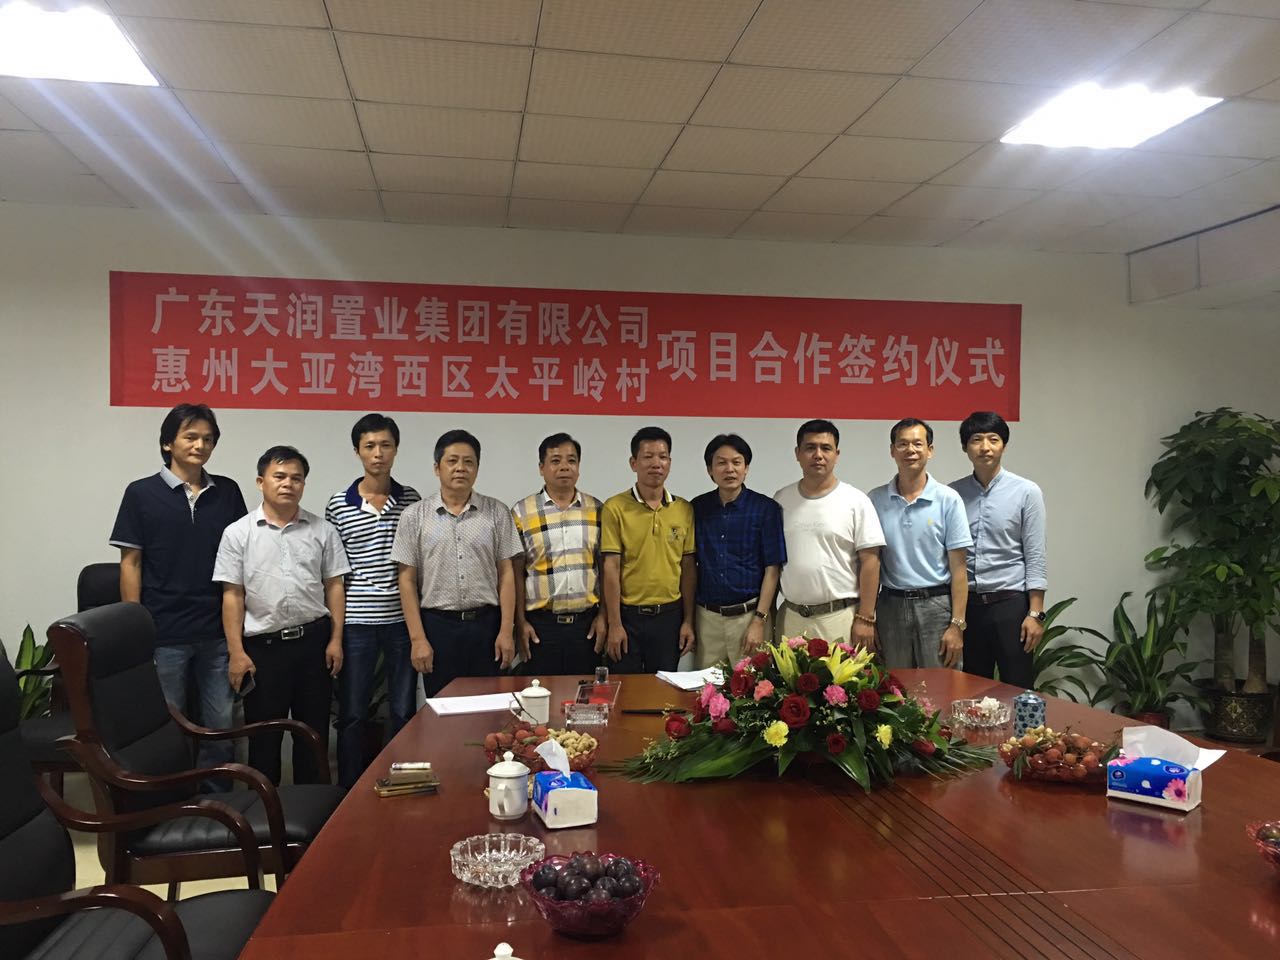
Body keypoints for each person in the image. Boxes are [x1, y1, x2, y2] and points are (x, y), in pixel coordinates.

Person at [109, 403, 247, 787]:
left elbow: (241, 560)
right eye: (190, 437)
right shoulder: (141, 493)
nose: (200, 445)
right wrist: (134, 627)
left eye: (207, 439)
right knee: (168, 723)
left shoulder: (227, 492)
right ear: (168, 443)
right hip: (163, 630)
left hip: (217, 630)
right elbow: (131, 563)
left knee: (220, 722)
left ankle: (219, 798)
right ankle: (172, 797)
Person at [213, 446, 348, 786]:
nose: (288, 484)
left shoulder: (322, 531)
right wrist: (236, 652)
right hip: (263, 650)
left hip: (313, 645)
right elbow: (232, 595)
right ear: (261, 482)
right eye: (280, 476)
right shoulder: (238, 533)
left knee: (312, 734)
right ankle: (263, 810)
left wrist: (335, 639)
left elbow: (334, 586)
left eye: (296, 478)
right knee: (263, 738)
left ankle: (314, 807)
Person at [324, 414, 421, 789]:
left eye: (385, 445)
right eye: (369, 446)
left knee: (403, 710)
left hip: (401, 622)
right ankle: (350, 789)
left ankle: (402, 782)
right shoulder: (338, 505)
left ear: (395, 449)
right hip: (357, 623)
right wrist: (336, 635)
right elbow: (335, 576)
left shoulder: (411, 500)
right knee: (352, 713)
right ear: (357, 451)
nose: (378, 453)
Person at [391, 429, 521, 698]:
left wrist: (506, 631)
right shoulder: (414, 516)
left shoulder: (497, 512)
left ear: (477, 468)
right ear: (437, 468)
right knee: (443, 708)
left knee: (488, 708)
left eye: (468, 461)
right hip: (438, 628)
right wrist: (418, 639)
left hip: (487, 626)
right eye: (452, 461)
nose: (461, 468)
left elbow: (506, 574)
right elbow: (406, 580)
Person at [950, 411, 1048, 689]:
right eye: (976, 440)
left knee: (1017, 687)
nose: (985, 447)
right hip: (968, 607)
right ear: (965, 447)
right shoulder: (952, 494)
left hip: (1010, 604)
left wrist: (1035, 614)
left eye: (993, 439)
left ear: (1004, 445)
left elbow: (1035, 555)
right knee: (970, 688)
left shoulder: (1027, 492)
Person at [869, 418, 971, 671]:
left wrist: (957, 624)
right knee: (896, 686)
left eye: (917, 443)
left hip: (937, 605)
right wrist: (868, 618)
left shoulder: (948, 499)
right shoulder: (875, 500)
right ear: (892, 451)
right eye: (902, 444)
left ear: (930, 450)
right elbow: (869, 563)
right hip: (890, 606)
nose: (910, 450)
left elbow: (959, 568)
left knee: (943, 686)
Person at [774, 419, 885, 647]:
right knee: (787, 673)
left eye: (826, 448)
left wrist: (865, 617)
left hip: (840, 618)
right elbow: (773, 562)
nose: (818, 455)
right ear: (797, 453)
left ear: (837, 454)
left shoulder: (856, 501)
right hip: (792, 617)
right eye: (810, 448)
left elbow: (871, 562)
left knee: (843, 673)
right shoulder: (781, 499)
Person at [601, 426, 696, 673]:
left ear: (670, 463)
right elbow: (611, 567)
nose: (656, 463)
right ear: (633, 463)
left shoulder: (684, 509)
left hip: (669, 617)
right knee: (624, 688)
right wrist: (614, 623)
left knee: (665, 688)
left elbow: (687, 568)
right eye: (648, 456)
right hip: (627, 617)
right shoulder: (615, 507)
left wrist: (688, 621)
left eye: (662, 457)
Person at [511, 433, 606, 676]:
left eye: (571, 460)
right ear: (541, 468)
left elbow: (605, 568)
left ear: (578, 467)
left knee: (585, 696)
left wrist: (604, 616)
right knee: (540, 695)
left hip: (587, 627)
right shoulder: (521, 512)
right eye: (555, 460)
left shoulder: (597, 510)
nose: (564, 466)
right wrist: (520, 623)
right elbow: (516, 574)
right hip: (540, 628)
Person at [691, 434, 786, 667]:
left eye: (736, 462)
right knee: (705, 686)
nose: (729, 469)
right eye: (721, 463)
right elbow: (690, 564)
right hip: (707, 620)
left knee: (754, 686)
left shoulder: (765, 509)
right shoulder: (697, 508)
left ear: (746, 468)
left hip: (749, 617)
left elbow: (772, 569)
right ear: (710, 470)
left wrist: (759, 620)